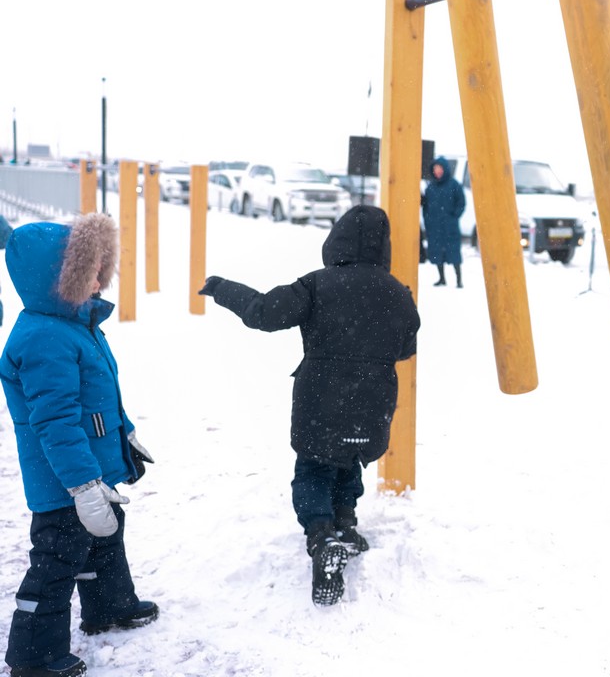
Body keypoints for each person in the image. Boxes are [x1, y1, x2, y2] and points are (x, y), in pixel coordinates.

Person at [198, 205, 421, 606]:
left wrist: (222, 288)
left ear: (335, 239)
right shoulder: (397, 292)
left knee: (315, 465)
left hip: (322, 397)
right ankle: (345, 524)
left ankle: (321, 536)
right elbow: (407, 347)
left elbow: (264, 314)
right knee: (350, 457)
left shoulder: (318, 285)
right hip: (373, 399)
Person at [2, 213, 158, 677]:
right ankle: (34, 654)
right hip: (64, 480)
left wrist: (125, 431)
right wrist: (83, 485)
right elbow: (54, 422)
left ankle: (108, 605)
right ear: (58, 277)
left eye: (99, 264)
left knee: (105, 536)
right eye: (88, 266)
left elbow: (102, 392)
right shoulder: (43, 338)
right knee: (56, 559)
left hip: (92, 467)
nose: (98, 274)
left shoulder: (76, 324)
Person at [421, 155, 465, 288]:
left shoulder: (454, 185)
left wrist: (454, 216)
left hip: (449, 226)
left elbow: (461, 202)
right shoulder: (430, 187)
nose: (437, 171)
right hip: (435, 227)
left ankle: (459, 280)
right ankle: (441, 278)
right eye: (435, 169)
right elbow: (426, 205)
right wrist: (428, 220)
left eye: (439, 168)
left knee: (454, 253)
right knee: (437, 253)